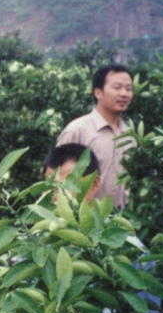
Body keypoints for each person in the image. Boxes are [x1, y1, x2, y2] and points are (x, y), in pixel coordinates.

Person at [56, 64, 135, 208]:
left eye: (128, 89)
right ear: (98, 92)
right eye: (117, 87)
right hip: (83, 221)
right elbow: (55, 178)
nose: (124, 93)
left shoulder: (130, 136)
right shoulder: (77, 130)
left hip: (119, 223)